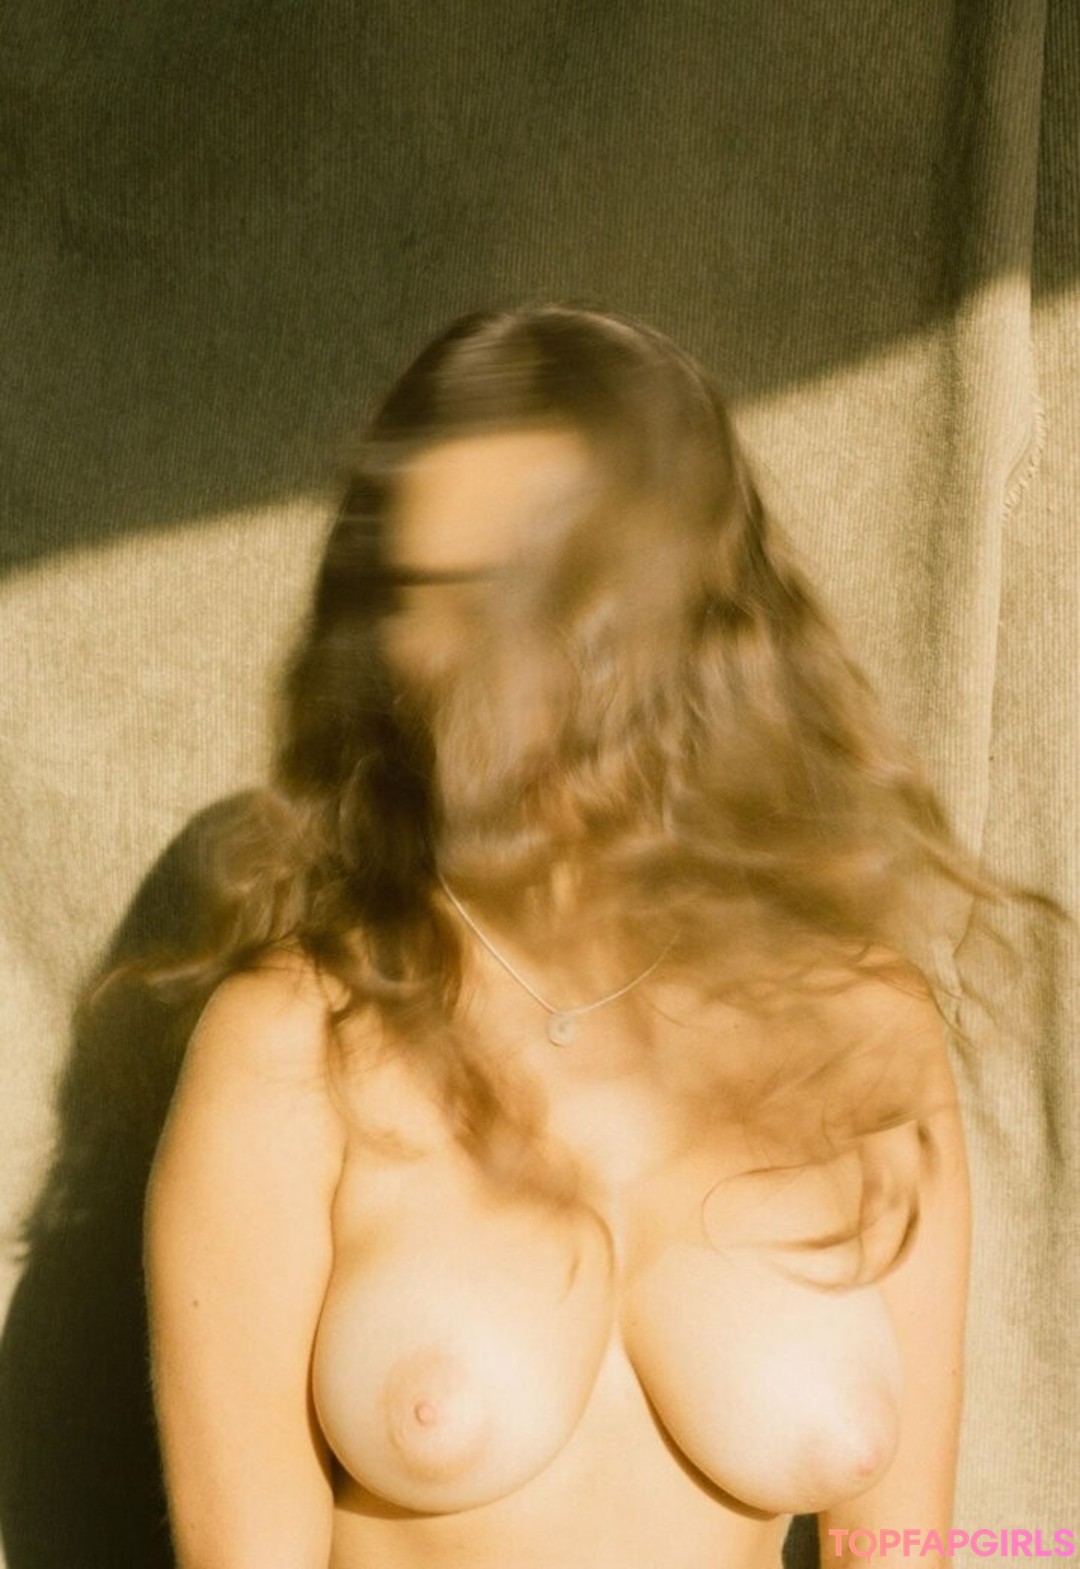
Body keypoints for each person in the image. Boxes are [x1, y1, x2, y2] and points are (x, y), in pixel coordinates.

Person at [144, 305, 978, 1569]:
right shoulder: (293, 1050)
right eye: (442, 595)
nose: (501, 662)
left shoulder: (866, 1030)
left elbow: (907, 1553)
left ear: (698, 611)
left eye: (560, 586)